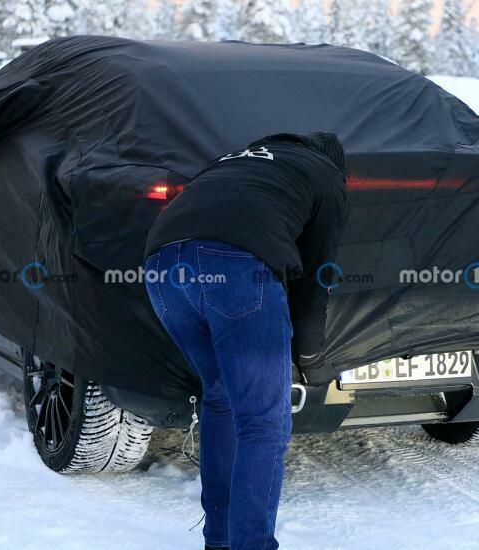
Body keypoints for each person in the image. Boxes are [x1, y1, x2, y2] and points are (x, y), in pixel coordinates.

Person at [143, 132, 347, 549]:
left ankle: (218, 541)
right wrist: (311, 357)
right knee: (264, 421)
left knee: (219, 395)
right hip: (238, 268)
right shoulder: (326, 176)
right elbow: (314, 281)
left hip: (161, 267)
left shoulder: (231, 160)